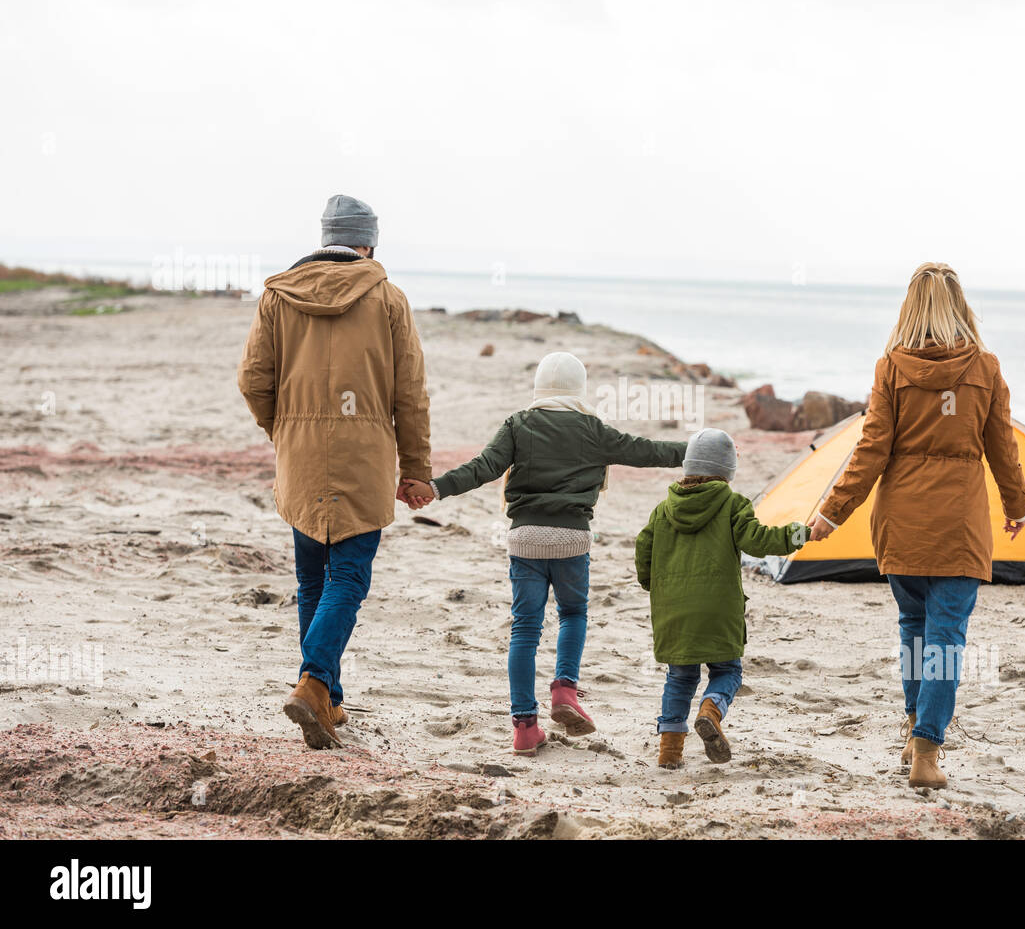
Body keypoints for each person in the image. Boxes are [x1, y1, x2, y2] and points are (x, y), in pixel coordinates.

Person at [808, 262, 1025, 789]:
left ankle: (914, 732)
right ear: (960, 306)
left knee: (913, 630)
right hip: (960, 525)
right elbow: (1003, 446)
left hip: (901, 521)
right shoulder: (986, 368)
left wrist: (831, 510)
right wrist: (1017, 504)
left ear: (910, 308)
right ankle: (927, 752)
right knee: (946, 640)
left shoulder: (891, 368)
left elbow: (870, 452)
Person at [402, 352, 686, 756]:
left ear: (539, 387)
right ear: (579, 389)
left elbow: (483, 468)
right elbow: (646, 451)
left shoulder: (519, 424)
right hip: (571, 540)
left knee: (525, 630)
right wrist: (695, 452)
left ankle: (524, 728)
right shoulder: (593, 430)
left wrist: (434, 488)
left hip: (525, 540)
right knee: (572, 614)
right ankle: (565, 691)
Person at [237, 194, 432, 749]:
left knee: (310, 579)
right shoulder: (389, 300)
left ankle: (332, 699)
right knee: (348, 575)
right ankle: (315, 682)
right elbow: (410, 394)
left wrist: (285, 430)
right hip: (364, 455)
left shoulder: (277, 297)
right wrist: (416, 467)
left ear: (326, 237)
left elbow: (253, 379)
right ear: (367, 242)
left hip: (299, 457)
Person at [635, 428, 809, 769]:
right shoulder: (732, 504)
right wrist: (798, 534)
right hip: (718, 610)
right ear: (727, 471)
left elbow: (644, 550)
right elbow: (759, 541)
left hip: (673, 611)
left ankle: (669, 751)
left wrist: (652, 584)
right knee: (727, 670)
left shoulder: (662, 510)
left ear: (687, 467)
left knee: (680, 677)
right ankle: (711, 710)